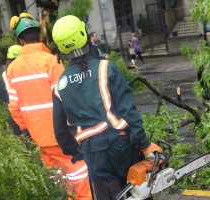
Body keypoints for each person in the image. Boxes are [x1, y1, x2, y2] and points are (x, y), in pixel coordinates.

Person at [51, 15, 162, 200]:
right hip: (121, 145)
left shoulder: (59, 86)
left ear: (60, 48)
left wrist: (76, 152)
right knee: (136, 190)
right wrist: (144, 144)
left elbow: (60, 130)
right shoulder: (106, 68)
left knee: (107, 194)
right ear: (84, 35)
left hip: (92, 152)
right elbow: (128, 110)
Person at [6, 13, 92, 200]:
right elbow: (68, 98)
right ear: (39, 36)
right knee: (80, 174)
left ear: (21, 41)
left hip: (37, 136)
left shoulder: (12, 69)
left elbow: (14, 107)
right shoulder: (51, 61)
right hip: (61, 134)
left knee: (57, 178)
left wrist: (25, 130)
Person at [0, 45, 23, 136]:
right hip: (31, 111)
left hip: (15, 114)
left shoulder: (5, 74)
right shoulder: (28, 71)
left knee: (25, 143)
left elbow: (2, 96)